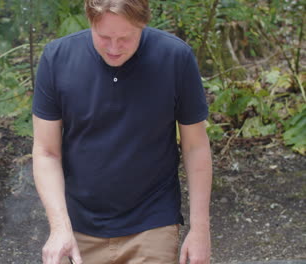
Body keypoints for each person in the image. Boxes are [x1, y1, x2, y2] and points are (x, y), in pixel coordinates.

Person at [32, 0, 212, 263]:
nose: (114, 48)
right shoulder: (57, 58)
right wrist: (59, 228)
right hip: (79, 225)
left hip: (152, 221)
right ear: (90, 20)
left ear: (143, 23)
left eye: (125, 38)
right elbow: (46, 152)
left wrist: (200, 230)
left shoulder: (175, 58)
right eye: (104, 37)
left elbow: (195, 146)